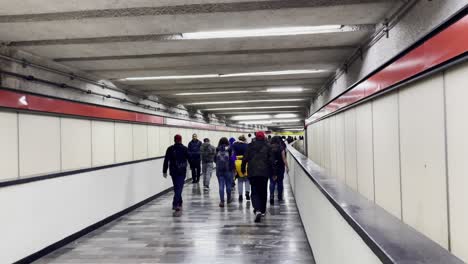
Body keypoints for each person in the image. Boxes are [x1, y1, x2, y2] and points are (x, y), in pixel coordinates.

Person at [241, 131, 276, 223]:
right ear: (264, 137)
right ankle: (263, 210)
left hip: (252, 172)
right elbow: (272, 161)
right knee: (263, 191)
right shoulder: (268, 146)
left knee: (255, 191)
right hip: (264, 173)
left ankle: (257, 209)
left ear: (256, 137)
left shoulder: (250, 146)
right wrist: (274, 173)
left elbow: (245, 159)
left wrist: (243, 169)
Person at [163, 134, 189, 217]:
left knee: (176, 187)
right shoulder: (185, 149)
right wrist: (192, 166)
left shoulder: (170, 149)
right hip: (182, 171)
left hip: (173, 171)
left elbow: (166, 160)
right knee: (179, 187)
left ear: (174, 140)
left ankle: (180, 201)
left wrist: (164, 171)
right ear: (181, 140)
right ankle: (175, 204)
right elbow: (189, 158)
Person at [269, 136, 289, 205]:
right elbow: (284, 159)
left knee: (272, 182)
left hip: (271, 167)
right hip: (280, 167)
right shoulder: (281, 148)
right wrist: (287, 167)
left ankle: (271, 196)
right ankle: (279, 197)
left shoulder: (269, 148)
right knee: (280, 182)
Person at [216, 137, 234, 207]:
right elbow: (233, 159)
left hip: (219, 170)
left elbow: (215, 159)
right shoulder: (230, 149)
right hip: (228, 169)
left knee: (221, 185)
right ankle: (229, 199)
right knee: (228, 185)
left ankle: (222, 201)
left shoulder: (217, 149)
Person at [232, 135, 250, 201]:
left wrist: (234, 162)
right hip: (246, 163)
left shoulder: (234, 145)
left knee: (240, 180)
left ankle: (240, 195)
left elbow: (233, 155)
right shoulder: (247, 145)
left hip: (237, 163)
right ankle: (247, 192)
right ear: (244, 139)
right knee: (247, 179)